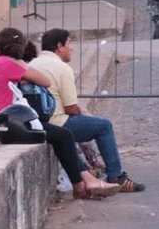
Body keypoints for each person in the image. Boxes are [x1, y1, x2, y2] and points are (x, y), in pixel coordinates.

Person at [0, 27, 120, 200]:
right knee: (64, 136)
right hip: (3, 127)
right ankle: (80, 186)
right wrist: (21, 64)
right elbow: (45, 81)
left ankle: (87, 179)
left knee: (58, 134)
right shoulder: (10, 64)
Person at [31, 28, 145, 192]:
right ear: (59, 46)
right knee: (103, 126)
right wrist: (82, 114)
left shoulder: (33, 64)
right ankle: (116, 176)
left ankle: (89, 167)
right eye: (69, 43)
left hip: (38, 122)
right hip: (56, 122)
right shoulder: (62, 69)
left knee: (84, 123)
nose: (72, 48)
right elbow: (70, 108)